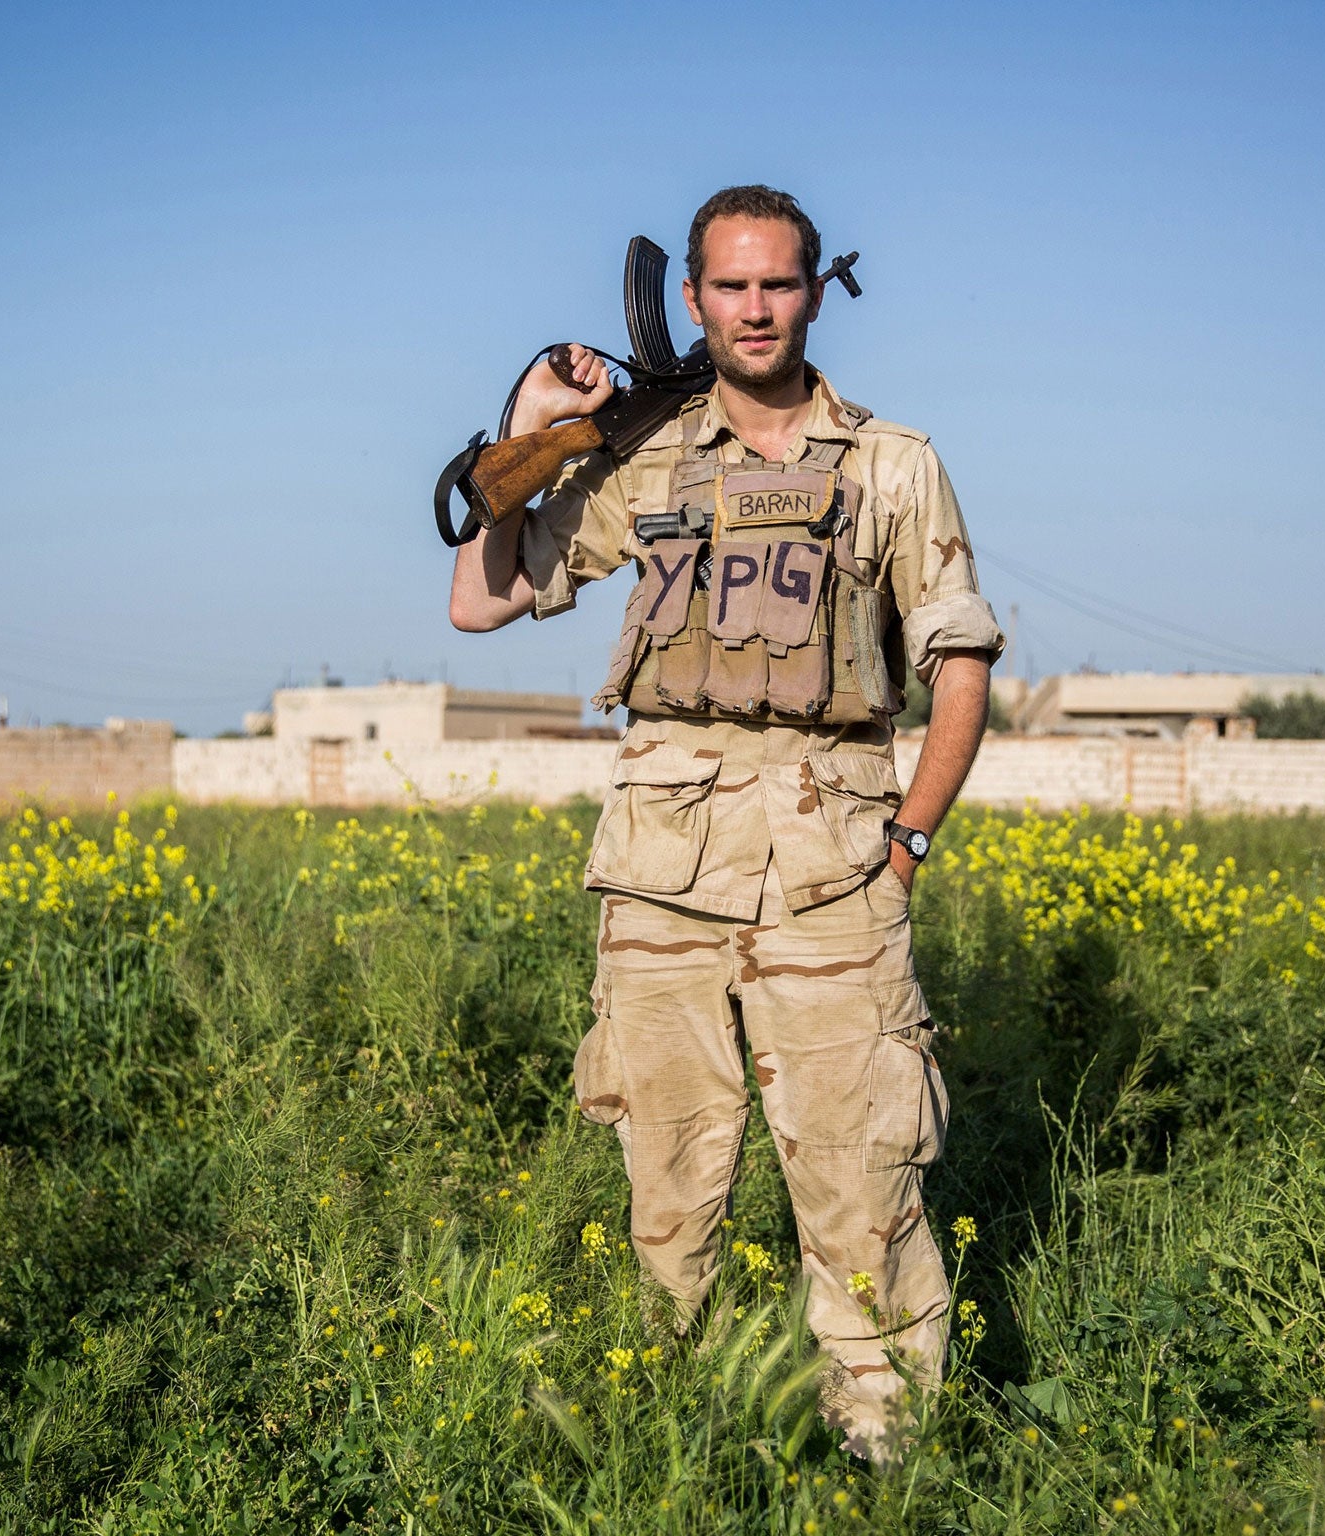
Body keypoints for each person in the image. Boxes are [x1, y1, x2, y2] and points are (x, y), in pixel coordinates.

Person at [448, 184, 1002, 1461]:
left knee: (862, 1186)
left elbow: (960, 660)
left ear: (815, 291)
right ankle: (675, 1450)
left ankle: (881, 1461)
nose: (755, 309)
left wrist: (908, 840)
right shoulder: (641, 456)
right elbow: (479, 602)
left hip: (834, 872)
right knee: (669, 1187)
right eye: (730, 287)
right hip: (661, 877)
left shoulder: (892, 464)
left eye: (779, 284)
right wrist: (530, 425)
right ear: (692, 301)